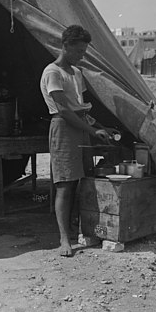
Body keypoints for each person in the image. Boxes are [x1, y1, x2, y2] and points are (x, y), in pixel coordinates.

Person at [41, 25, 110, 257]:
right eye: (79, 50)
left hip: (80, 127)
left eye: (84, 51)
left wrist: (99, 126)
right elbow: (64, 110)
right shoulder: (52, 73)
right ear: (66, 45)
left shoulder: (76, 73)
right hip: (64, 128)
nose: (82, 55)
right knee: (65, 184)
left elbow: (80, 108)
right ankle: (63, 239)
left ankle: (84, 229)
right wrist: (91, 130)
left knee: (85, 181)